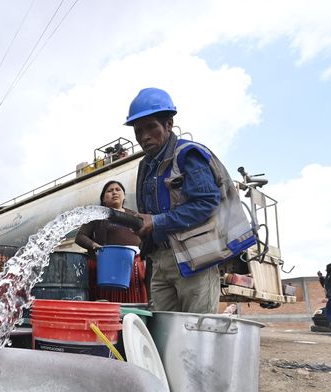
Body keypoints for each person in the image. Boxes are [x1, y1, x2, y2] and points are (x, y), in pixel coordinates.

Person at [125, 87, 254, 313]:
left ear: (168, 124)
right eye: (138, 130)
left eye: (151, 127)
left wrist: (156, 222)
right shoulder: (146, 166)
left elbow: (206, 203)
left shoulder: (188, 155)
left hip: (196, 261)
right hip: (161, 261)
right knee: (163, 333)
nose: (144, 136)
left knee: (197, 331)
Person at [75, 181, 147, 303]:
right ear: (103, 199)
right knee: (109, 304)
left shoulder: (134, 216)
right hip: (108, 269)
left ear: (124, 195)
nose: (114, 192)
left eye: (118, 189)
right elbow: (80, 237)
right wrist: (94, 246)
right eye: (109, 191)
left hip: (131, 269)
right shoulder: (97, 216)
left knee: (132, 306)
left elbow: (144, 238)